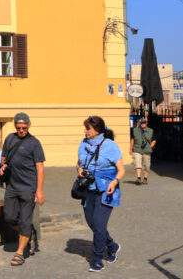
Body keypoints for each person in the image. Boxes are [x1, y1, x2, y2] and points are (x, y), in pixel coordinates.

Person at [0, 112, 45, 267]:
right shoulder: (10, 139)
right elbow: (4, 158)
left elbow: (40, 168)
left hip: (28, 187)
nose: (21, 130)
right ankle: (27, 233)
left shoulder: (34, 143)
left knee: (25, 220)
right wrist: (3, 165)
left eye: (24, 127)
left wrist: (39, 191)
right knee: (9, 217)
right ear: (15, 126)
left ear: (28, 126)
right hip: (12, 186)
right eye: (19, 127)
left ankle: (20, 253)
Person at [78, 116, 124, 272]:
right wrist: (79, 169)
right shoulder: (83, 144)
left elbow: (121, 170)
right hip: (87, 190)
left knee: (98, 224)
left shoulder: (110, 146)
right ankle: (112, 245)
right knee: (93, 224)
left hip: (106, 190)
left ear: (97, 130)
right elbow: (79, 163)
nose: (85, 131)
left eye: (88, 128)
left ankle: (97, 259)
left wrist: (114, 182)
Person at [130, 117, 155, 185]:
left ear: (146, 123)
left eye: (144, 123)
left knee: (147, 166)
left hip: (147, 150)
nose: (143, 124)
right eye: (142, 123)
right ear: (140, 123)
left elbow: (154, 140)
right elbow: (132, 140)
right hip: (137, 149)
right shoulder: (135, 130)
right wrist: (130, 149)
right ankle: (138, 178)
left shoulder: (151, 130)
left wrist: (150, 146)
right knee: (138, 164)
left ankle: (145, 178)